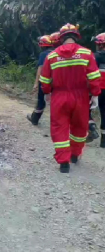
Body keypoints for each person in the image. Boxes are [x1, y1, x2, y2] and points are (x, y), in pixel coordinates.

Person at [40, 23, 102, 173]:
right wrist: (95, 94)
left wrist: (47, 92)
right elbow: (94, 77)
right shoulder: (87, 54)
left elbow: (45, 79)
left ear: (61, 38)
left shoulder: (52, 56)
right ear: (76, 37)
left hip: (59, 96)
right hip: (80, 97)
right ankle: (75, 155)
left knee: (59, 128)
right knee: (79, 128)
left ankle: (63, 163)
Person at [27, 35, 55, 125]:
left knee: (41, 100)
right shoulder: (56, 53)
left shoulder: (44, 54)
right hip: (56, 81)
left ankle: (35, 119)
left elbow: (40, 69)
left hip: (45, 80)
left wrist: (36, 83)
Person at [90, 32, 105, 147]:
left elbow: (90, 73)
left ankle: (91, 127)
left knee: (86, 108)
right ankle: (104, 141)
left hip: (97, 88)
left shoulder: (96, 56)